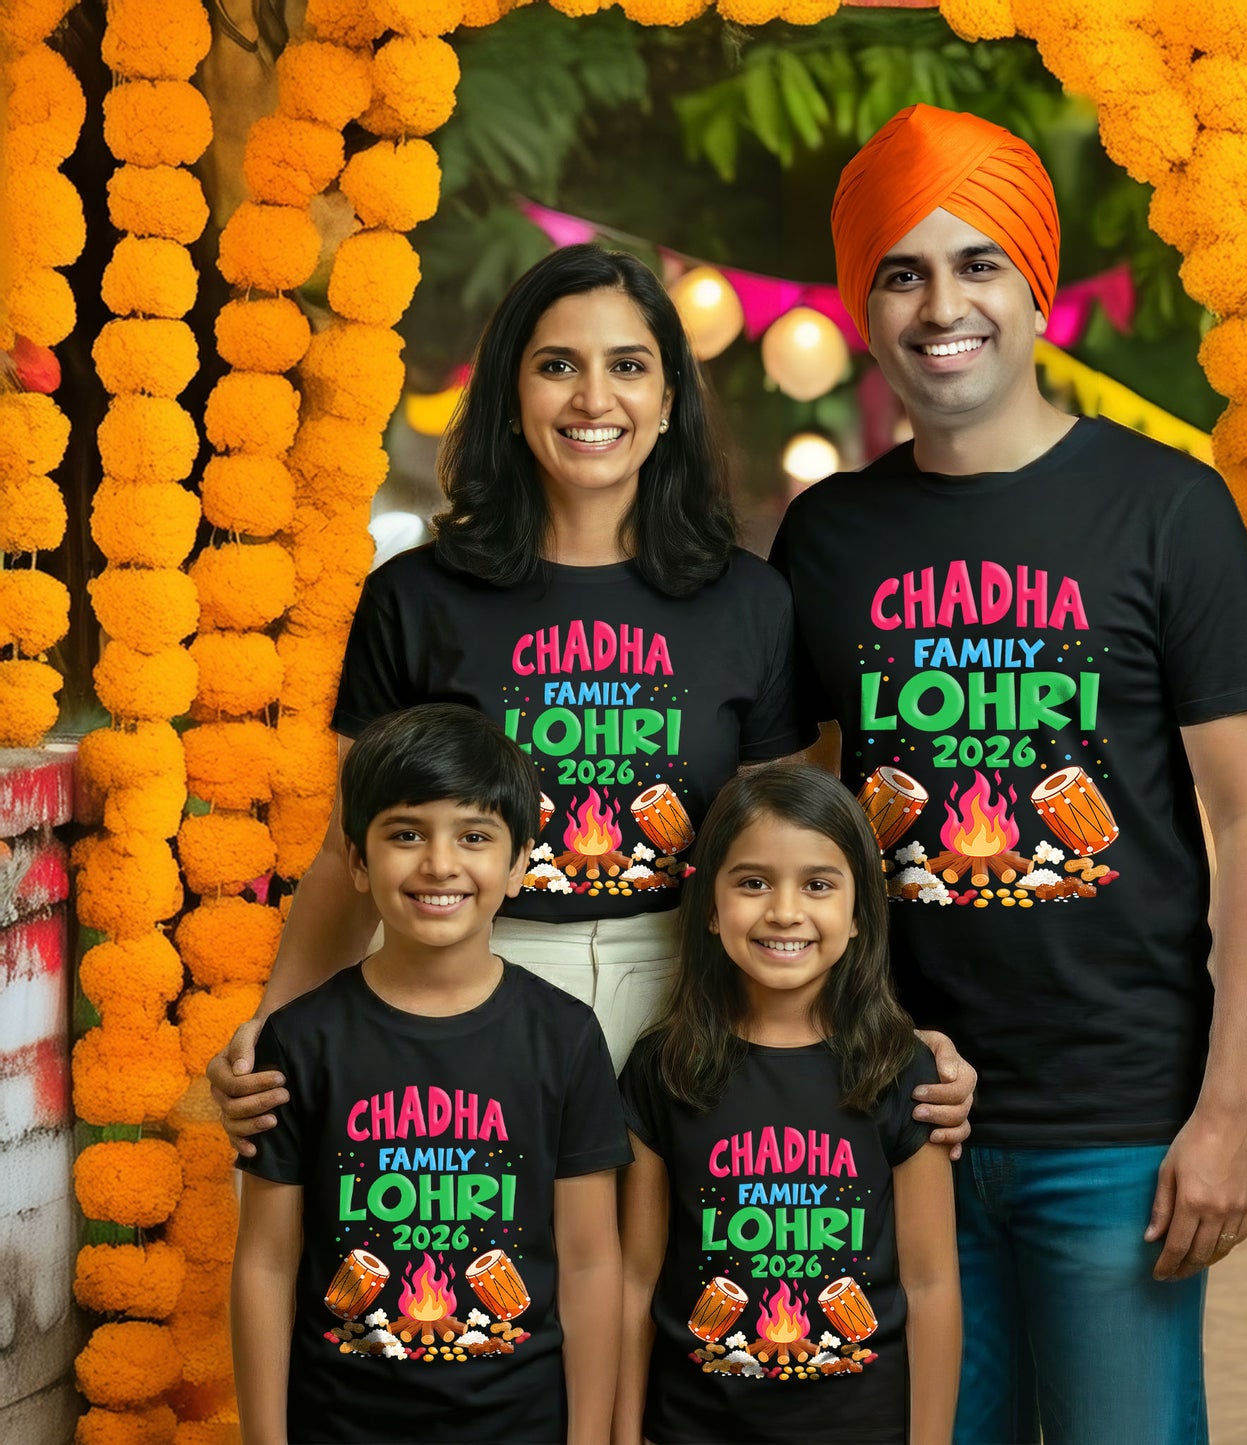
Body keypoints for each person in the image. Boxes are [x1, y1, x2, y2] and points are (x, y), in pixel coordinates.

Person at [770, 105, 1247, 1445]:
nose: (942, 304)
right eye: (901, 270)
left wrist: (1229, 1111)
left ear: (1034, 283)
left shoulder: (1165, 508)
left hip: (1118, 1122)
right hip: (894, 1114)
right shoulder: (829, 536)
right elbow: (778, 829)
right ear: (863, 303)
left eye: (976, 263)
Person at [209, 245, 976, 1156]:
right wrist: (277, 1023)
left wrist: (880, 1029)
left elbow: (792, 851)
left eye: (627, 366)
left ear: (667, 405)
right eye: (557, 365)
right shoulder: (417, 598)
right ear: (509, 395)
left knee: (658, 1287)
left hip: (691, 996)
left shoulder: (746, 600)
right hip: (468, 980)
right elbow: (356, 846)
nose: (592, 398)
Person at [231, 703, 630, 1445]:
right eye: (406, 833)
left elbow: (588, 1262)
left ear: (518, 865)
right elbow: (266, 1260)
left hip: (523, 1424)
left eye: (474, 836)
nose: (439, 863)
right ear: (356, 859)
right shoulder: (303, 1039)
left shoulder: (565, 1036)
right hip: (341, 1423)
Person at [614, 764, 961, 1445]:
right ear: (710, 908)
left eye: (818, 884)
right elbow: (634, 1279)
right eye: (751, 882)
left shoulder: (900, 1068)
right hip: (692, 1427)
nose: (783, 910)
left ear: (860, 912)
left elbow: (930, 1285)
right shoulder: (662, 1068)